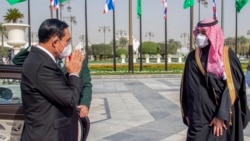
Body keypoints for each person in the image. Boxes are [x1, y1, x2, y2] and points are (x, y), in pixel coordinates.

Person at [180, 18, 250, 141]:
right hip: (197, 119)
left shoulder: (227, 56)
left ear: (213, 33)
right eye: (198, 32)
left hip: (219, 120)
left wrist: (221, 115)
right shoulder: (192, 57)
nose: (199, 36)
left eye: (204, 32)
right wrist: (186, 112)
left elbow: (232, 87)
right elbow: (186, 87)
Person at [20, 19, 84, 141]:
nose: (68, 45)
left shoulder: (40, 59)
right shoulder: (42, 65)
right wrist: (74, 74)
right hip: (48, 136)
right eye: (67, 41)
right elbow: (70, 99)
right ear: (55, 41)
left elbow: (56, 91)